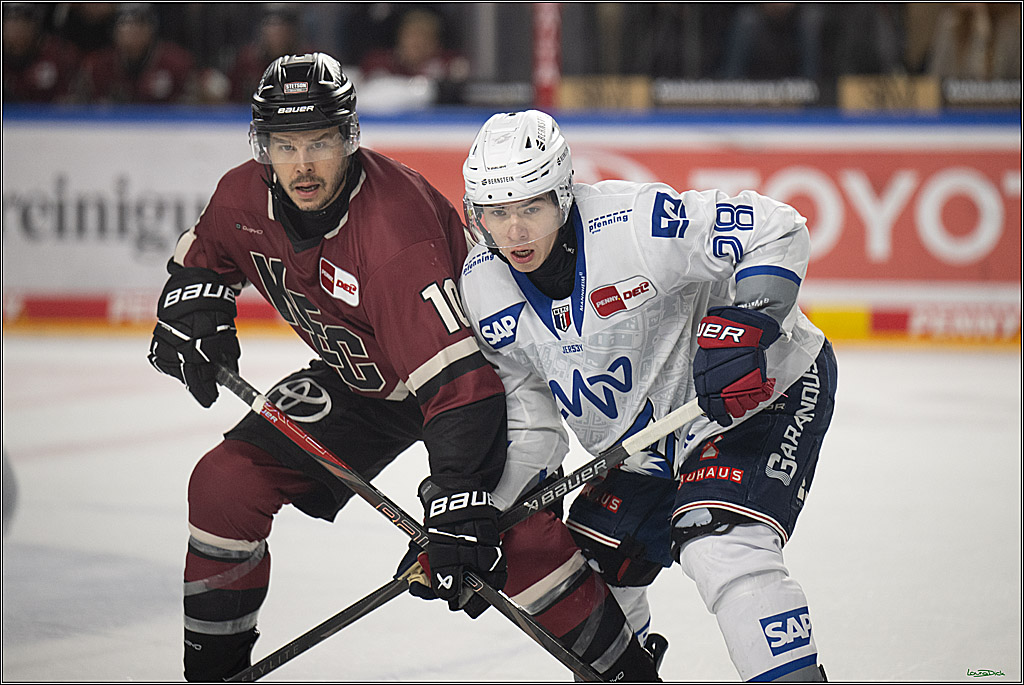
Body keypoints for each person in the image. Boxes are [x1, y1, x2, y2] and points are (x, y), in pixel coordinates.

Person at [147, 53, 660, 681]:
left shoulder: (394, 234)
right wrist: (195, 301)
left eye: (320, 142)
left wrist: (458, 506)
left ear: (349, 138)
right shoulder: (241, 195)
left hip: (479, 380)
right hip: (363, 379)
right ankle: (211, 673)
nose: (302, 165)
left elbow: (461, 388)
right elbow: (205, 254)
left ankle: (626, 671)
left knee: (505, 535)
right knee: (225, 486)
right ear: (263, 147)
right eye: (285, 145)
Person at [457, 110, 838, 682]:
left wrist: (749, 321)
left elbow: (774, 226)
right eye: (497, 212)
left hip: (761, 392)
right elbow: (533, 423)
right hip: (650, 443)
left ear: (563, 195)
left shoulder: (634, 223)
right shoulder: (482, 290)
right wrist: (482, 516)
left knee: (719, 541)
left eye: (531, 207)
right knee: (582, 574)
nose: (515, 232)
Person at [73, 2, 196, 103]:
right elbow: (75, 106)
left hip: (166, 130)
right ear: (114, 30)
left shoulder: (177, 63)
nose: (132, 30)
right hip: (109, 130)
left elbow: (193, 106)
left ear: (151, 29)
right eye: (125, 24)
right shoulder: (97, 65)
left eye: (139, 23)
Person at [2, 2, 80, 103]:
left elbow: (75, 102)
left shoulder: (59, 55)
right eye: (12, 21)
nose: (17, 30)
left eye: (24, 22)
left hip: (50, 117)